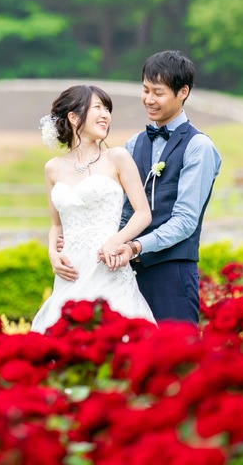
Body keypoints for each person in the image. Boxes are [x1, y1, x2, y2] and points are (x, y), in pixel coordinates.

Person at [51, 51, 222, 324]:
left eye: (158, 92)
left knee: (174, 359)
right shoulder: (132, 145)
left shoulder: (198, 147)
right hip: (121, 274)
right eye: (145, 90)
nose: (149, 100)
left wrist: (135, 246)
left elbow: (185, 220)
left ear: (183, 92)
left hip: (171, 274)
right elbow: (122, 209)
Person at [30, 84, 156, 332]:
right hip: (70, 271)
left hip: (107, 264)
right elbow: (56, 225)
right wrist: (53, 254)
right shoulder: (52, 168)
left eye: (107, 109)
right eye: (98, 107)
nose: (105, 115)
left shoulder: (117, 158)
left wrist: (116, 241)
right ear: (74, 117)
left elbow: (143, 213)